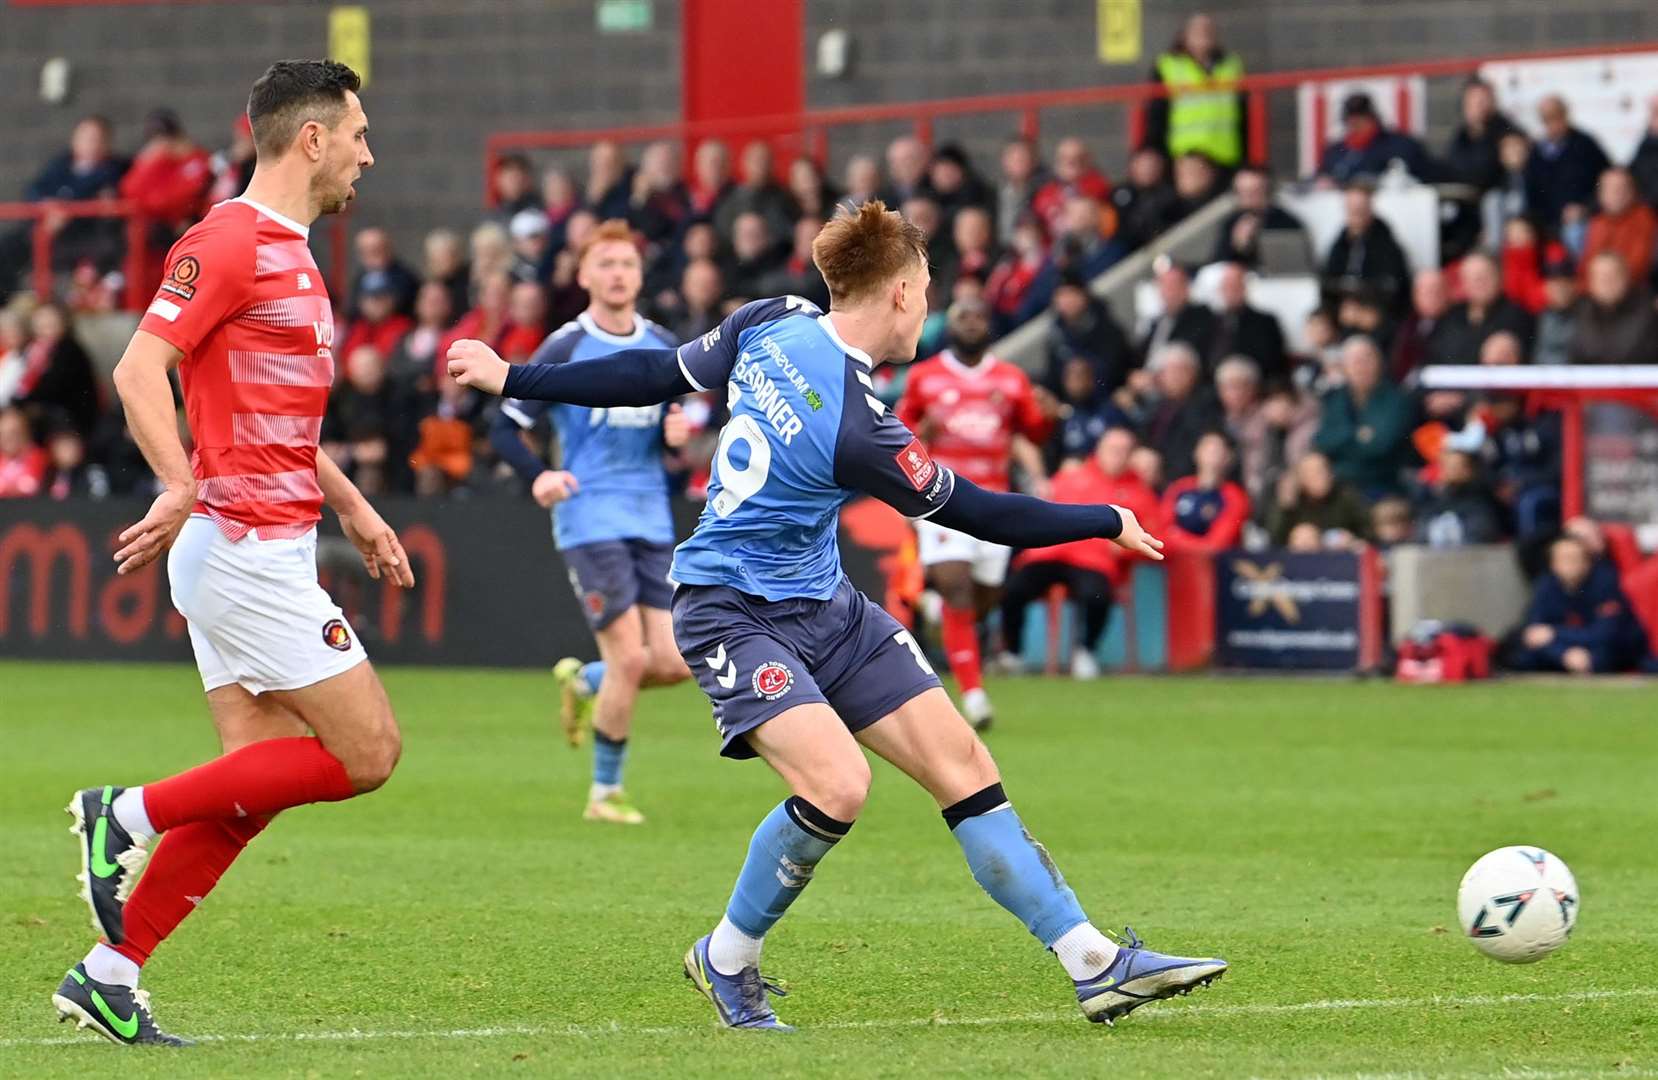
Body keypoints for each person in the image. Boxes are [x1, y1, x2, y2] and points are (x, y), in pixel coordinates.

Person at [448, 201, 1223, 1029]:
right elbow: (987, 515)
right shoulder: (865, 430)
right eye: (925, 288)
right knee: (838, 784)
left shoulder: (771, 320)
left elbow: (655, 373)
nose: (927, 304)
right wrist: (1103, 519)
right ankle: (727, 957)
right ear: (898, 294)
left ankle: (1094, 963)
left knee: (962, 764)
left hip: (827, 603)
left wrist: (514, 373)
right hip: (730, 610)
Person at [52, 60, 411, 1048]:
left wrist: (355, 506)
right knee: (368, 752)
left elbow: (280, 422)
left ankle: (109, 972)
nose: (367, 154)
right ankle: (122, 813)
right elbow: (138, 368)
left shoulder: (292, 255)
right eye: (358, 134)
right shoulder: (228, 240)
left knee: (252, 785)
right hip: (242, 548)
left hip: (270, 540)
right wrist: (177, 483)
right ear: (311, 139)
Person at [488, 220, 693, 824]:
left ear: (640, 274)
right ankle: (605, 794)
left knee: (677, 661)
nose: (617, 274)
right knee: (632, 659)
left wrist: (676, 434)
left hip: (651, 516)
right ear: (582, 276)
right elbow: (505, 424)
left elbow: (674, 425)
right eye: (604, 263)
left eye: (626, 263)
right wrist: (538, 475)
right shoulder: (565, 346)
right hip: (589, 516)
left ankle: (585, 682)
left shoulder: (663, 341)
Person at [896, 295, 1052, 731]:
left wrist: (1050, 417)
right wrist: (916, 445)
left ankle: (933, 604)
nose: (972, 323)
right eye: (964, 316)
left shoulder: (1012, 379)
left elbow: (1033, 430)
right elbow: (897, 430)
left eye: (980, 316)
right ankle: (975, 696)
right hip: (944, 496)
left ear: (990, 325)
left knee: (982, 598)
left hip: (995, 501)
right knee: (958, 587)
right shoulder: (925, 377)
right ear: (951, 324)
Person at [999, 426, 1160, 679]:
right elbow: (1040, 510)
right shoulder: (1071, 476)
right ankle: (1013, 654)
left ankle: (1086, 650)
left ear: (1131, 455)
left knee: (1097, 594)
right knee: (1014, 589)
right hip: (1049, 552)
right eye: (1112, 449)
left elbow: (1154, 537)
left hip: (1095, 561)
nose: (1116, 455)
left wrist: (1125, 552)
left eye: (1123, 451)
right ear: (1099, 450)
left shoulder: (1140, 492)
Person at [1507, 536, 1648, 674]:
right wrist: (1563, 653)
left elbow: (1605, 634)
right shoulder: (1546, 585)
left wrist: (1555, 632)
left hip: (1607, 648)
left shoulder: (1605, 582)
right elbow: (1534, 632)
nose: (1569, 564)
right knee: (1523, 657)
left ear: (1587, 562)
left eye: (1574, 558)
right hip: (1563, 649)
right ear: (1553, 564)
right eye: (1563, 559)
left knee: (1601, 657)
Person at [1312, 335, 1413, 499]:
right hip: (1340, 485)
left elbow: (1380, 446)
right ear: (1344, 367)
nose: (1361, 366)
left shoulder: (1397, 399)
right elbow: (1322, 440)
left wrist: (1341, 440)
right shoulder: (1336, 397)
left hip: (1383, 485)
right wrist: (1357, 434)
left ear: (1379, 362)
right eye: (1354, 361)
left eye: (1366, 359)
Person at [1144, 12, 1247, 170]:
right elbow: (1156, 112)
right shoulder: (1167, 65)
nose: (1205, 34)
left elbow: (1244, 110)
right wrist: (1157, 150)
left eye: (1209, 30)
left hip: (1226, 154)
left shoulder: (1232, 65)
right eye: (1198, 30)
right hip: (1185, 154)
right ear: (1184, 35)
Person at [1524, 96, 1610, 242]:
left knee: (1574, 233)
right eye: (1546, 118)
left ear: (1565, 115)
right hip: (1546, 221)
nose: (1552, 122)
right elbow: (1531, 194)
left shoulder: (1585, 145)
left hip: (1581, 218)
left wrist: (1585, 208)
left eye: (1556, 115)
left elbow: (1606, 180)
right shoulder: (1536, 152)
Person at [1321, 182, 1410, 311]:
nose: (1356, 215)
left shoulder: (1387, 245)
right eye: (1352, 210)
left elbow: (1394, 288)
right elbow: (1328, 280)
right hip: (1343, 312)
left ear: (1370, 209)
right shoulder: (1340, 244)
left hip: (1375, 312)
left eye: (1360, 209)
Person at [1160, 430, 1250, 552]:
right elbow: (1161, 529)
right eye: (1207, 447)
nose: (1211, 453)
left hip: (1215, 566)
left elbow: (1216, 545)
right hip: (1174, 562)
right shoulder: (1180, 487)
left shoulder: (1235, 496)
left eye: (1217, 449)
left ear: (1228, 457)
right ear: (1196, 452)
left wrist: (1176, 537)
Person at [1316, 92, 1432, 184]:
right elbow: (1322, 177)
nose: (1357, 122)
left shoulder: (1399, 145)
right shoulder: (1335, 152)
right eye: (1352, 118)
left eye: (1362, 117)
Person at [1569, 251, 1658, 365]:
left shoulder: (1650, 310)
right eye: (1601, 276)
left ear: (1626, 277)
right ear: (1591, 281)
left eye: (1613, 275)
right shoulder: (1579, 311)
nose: (1607, 282)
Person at [1210, 166, 1305, 268]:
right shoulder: (1231, 222)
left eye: (1254, 192)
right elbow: (1217, 263)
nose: (1248, 199)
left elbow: (1291, 264)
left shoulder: (1286, 223)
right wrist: (1237, 246)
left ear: (1268, 192)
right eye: (1243, 192)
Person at [1578, 168, 1658, 289]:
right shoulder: (1596, 223)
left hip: (1628, 292)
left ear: (1633, 192)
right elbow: (1585, 268)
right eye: (1610, 189)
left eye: (1622, 188)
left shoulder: (1644, 219)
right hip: (1595, 292)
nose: (1616, 193)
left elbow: (1638, 268)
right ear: (1600, 194)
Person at [1208, 262, 1286, 381]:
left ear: (1245, 288)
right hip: (1213, 386)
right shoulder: (1211, 321)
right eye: (1227, 286)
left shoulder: (1265, 322)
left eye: (1235, 286)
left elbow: (1272, 362)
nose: (1231, 291)